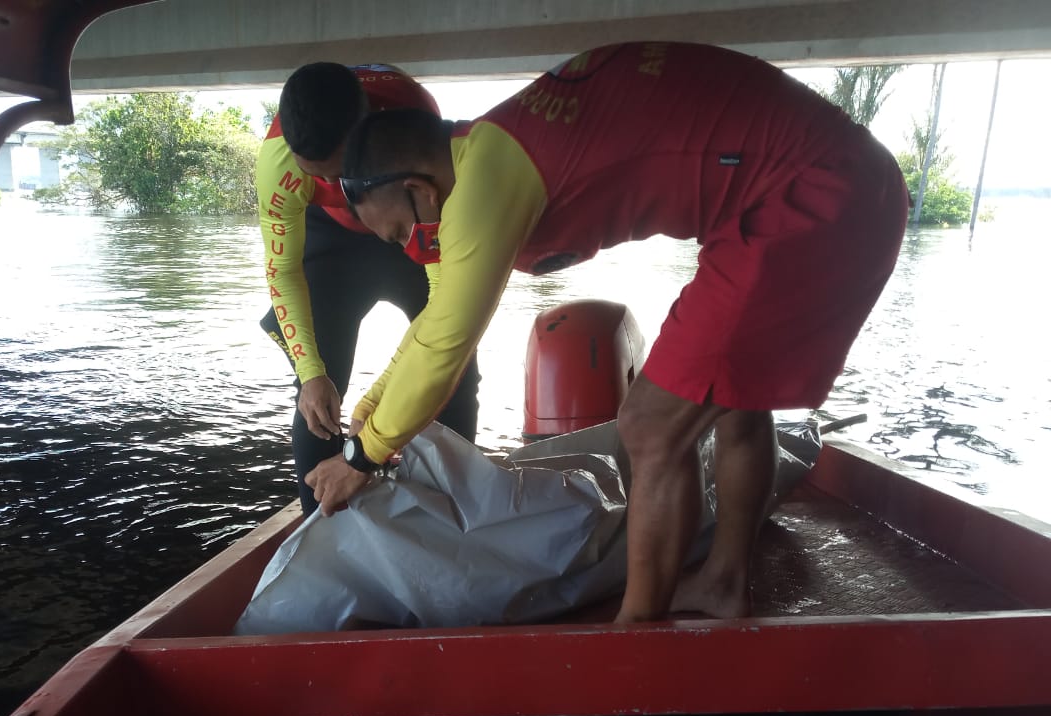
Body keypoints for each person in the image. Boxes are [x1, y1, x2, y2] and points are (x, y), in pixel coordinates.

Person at [306, 42, 908, 623]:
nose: (411, 247)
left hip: (813, 192)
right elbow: (438, 317)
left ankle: (635, 635)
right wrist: (371, 406)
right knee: (734, 403)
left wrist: (361, 456)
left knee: (649, 425)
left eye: (398, 232)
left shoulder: (484, 184)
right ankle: (723, 582)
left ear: (418, 189)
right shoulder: (484, 151)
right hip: (810, 184)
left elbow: (446, 345)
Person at [255, 61, 481, 516]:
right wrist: (310, 373)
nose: (332, 185)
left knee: (455, 370)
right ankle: (321, 530)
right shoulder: (278, 166)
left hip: (406, 212)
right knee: (316, 395)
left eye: (341, 173)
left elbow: (446, 312)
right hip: (330, 239)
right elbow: (283, 272)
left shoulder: (417, 128)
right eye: (316, 176)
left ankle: (457, 509)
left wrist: (379, 403)